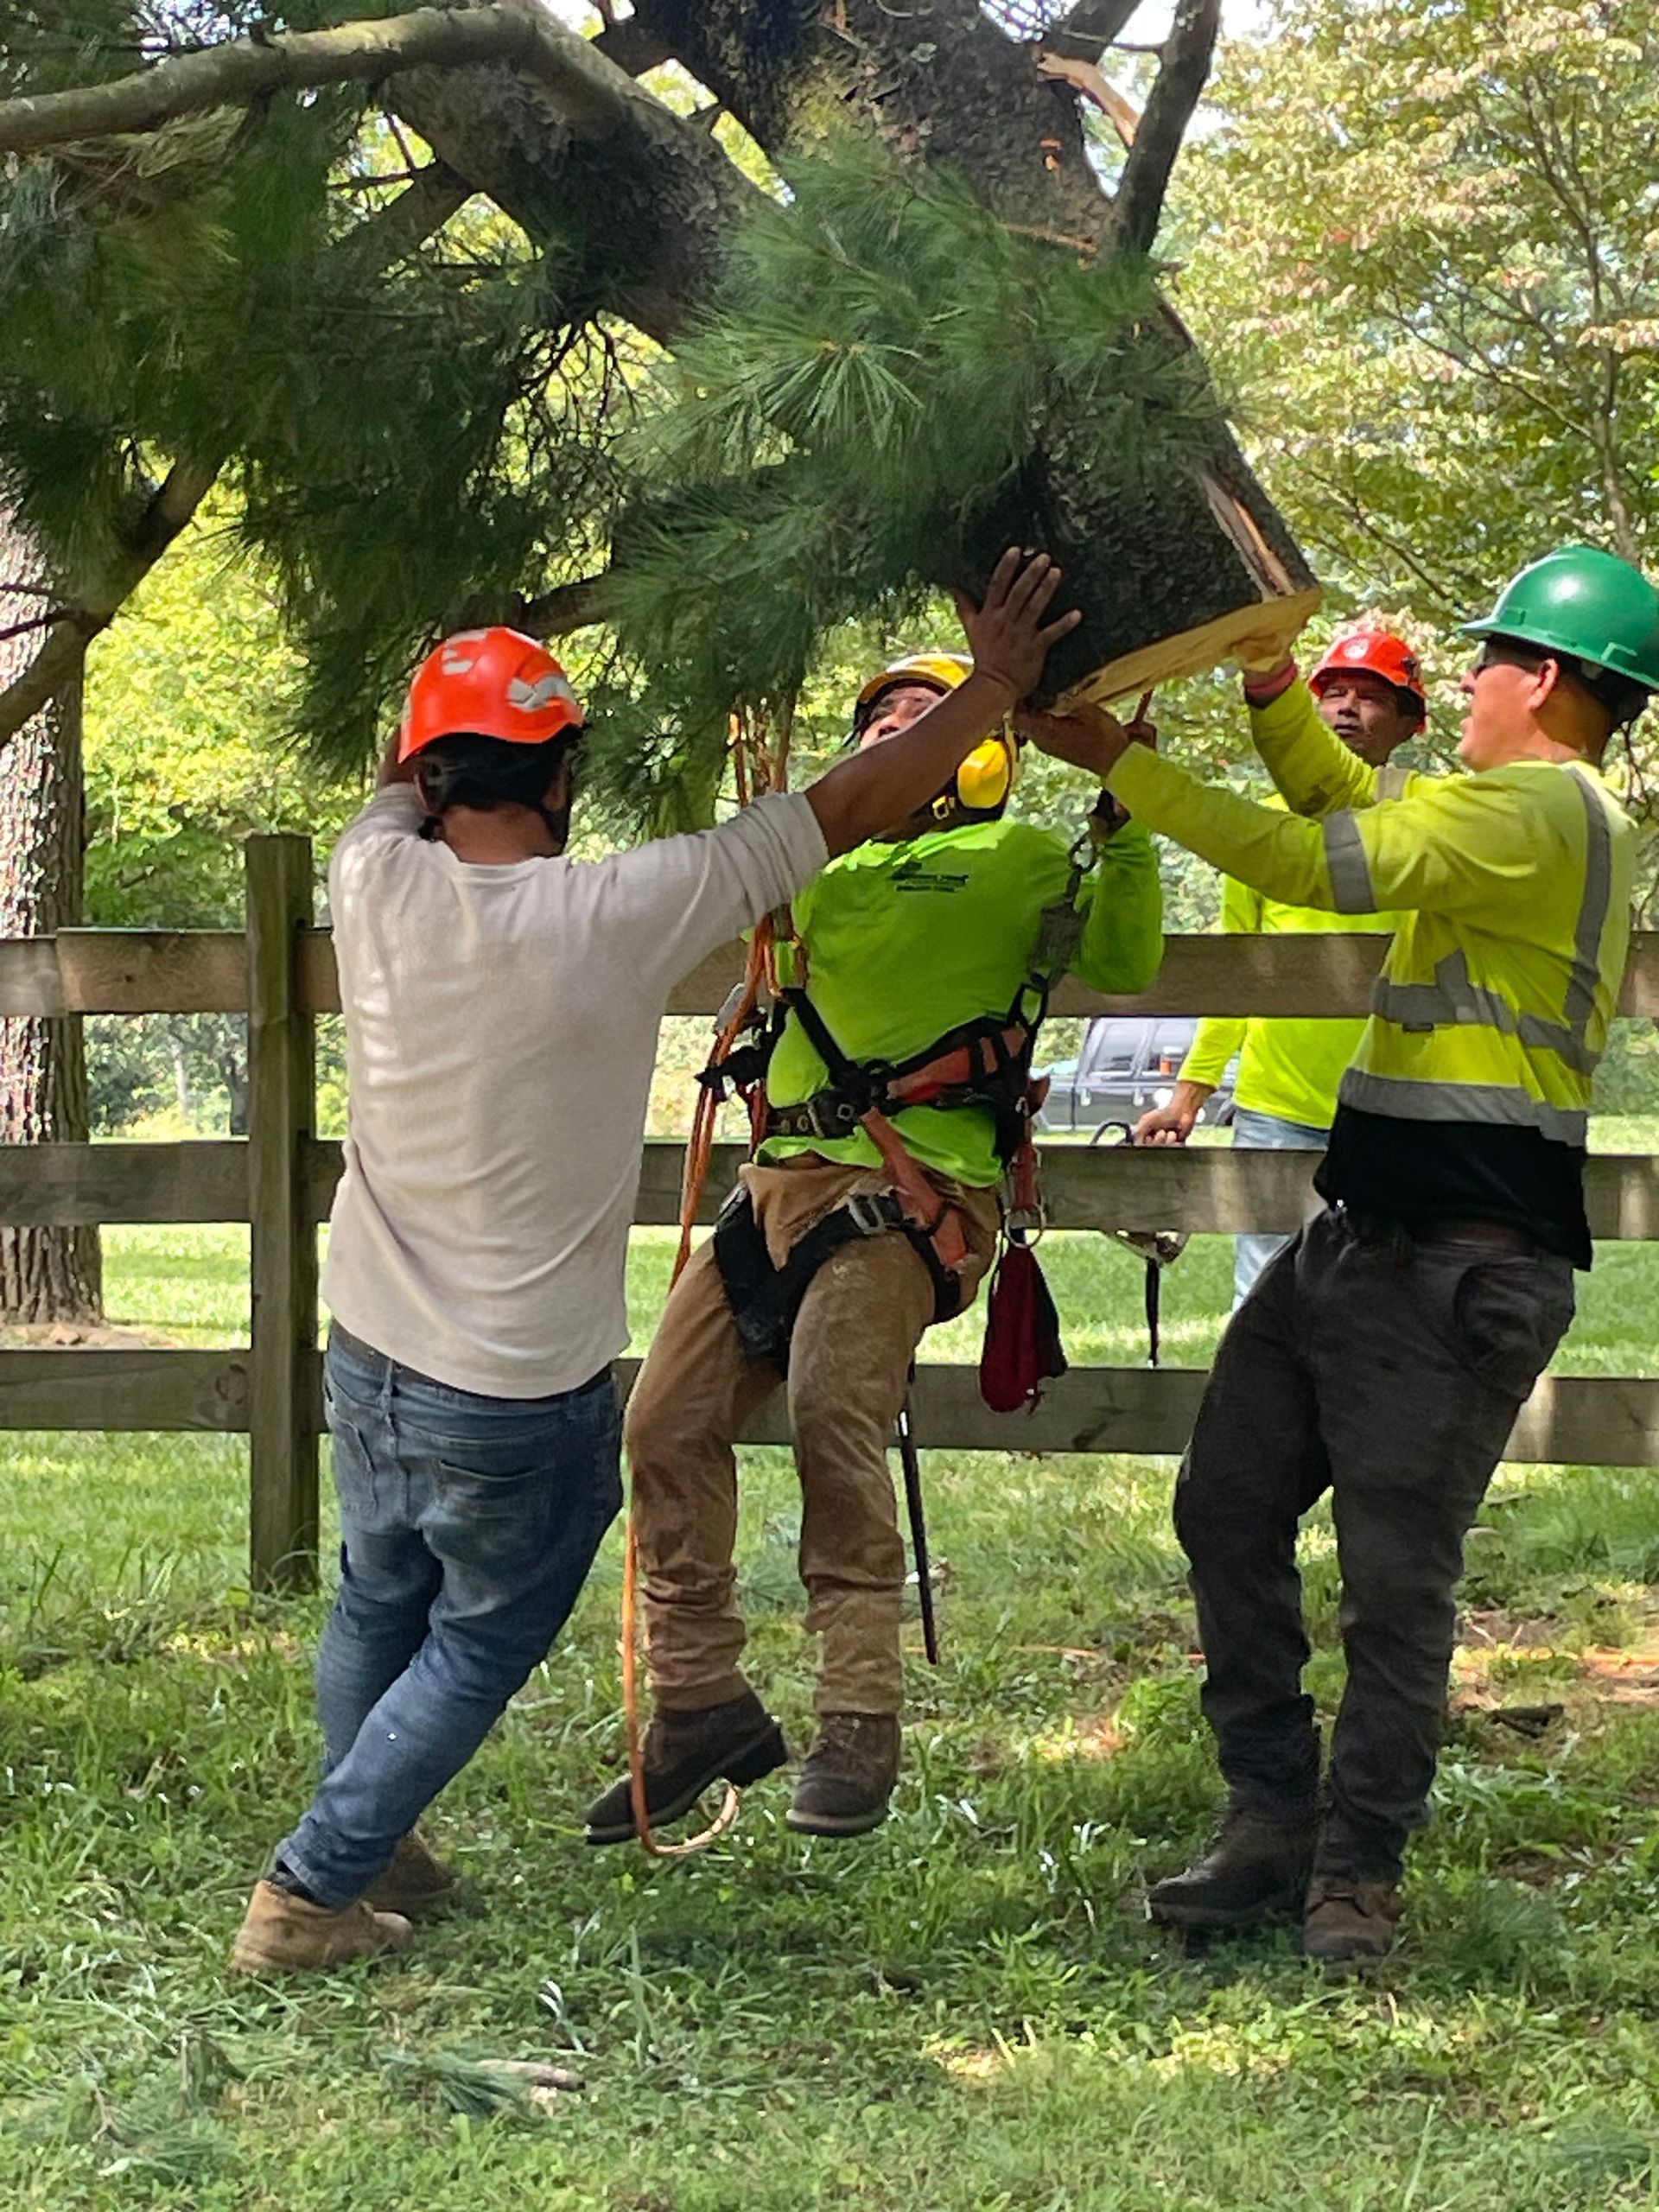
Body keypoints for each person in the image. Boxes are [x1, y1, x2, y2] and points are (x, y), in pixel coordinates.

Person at [229, 548, 1082, 1973]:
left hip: (366, 1348)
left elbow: (398, 771)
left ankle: (377, 1839)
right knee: (481, 1642)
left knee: (378, 1594)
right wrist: (991, 683)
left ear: (429, 776)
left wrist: (447, 686)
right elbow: (851, 802)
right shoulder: (615, 913)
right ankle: (313, 1891)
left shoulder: (369, 874)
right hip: (510, 1390)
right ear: (558, 779)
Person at [1021, 544, 1659, 1962]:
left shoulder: (1545, 813)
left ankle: (1352, 1879)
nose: (1471, 681)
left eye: (1487, 660)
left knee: (1393, 1587)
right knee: (1225, 1503)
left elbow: (1311, 859)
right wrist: (1264, 683)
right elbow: (1337, 795)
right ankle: (1272, 1820)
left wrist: (1118, 764)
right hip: (1360, 1248)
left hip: (1452, 1270)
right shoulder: (1519, 809)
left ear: (1541, 680)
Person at [583, 648, 1164, 1847]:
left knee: (829, 1414)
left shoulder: (1024, 861)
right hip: (778, 1186)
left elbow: (1122, 958)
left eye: (921, 713)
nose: (892, 727)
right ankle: (698, 1701)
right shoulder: (822, 877)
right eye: (881, 718)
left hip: (915, 1197)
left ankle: (860, 1713)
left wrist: (1133, 816)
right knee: (659, 1421)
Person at [1135, 631, 1425, 1305]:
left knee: (1386, 1303)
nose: (1347, 709)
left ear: (1410, 724)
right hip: (1276, 1108)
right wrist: (1189, 1096)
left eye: (1372, 698)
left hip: (1398, 1106)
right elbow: (1238, 971)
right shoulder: (1261, 831)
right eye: (1333, 694)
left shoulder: (1430, 826)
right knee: (1266, 1298)